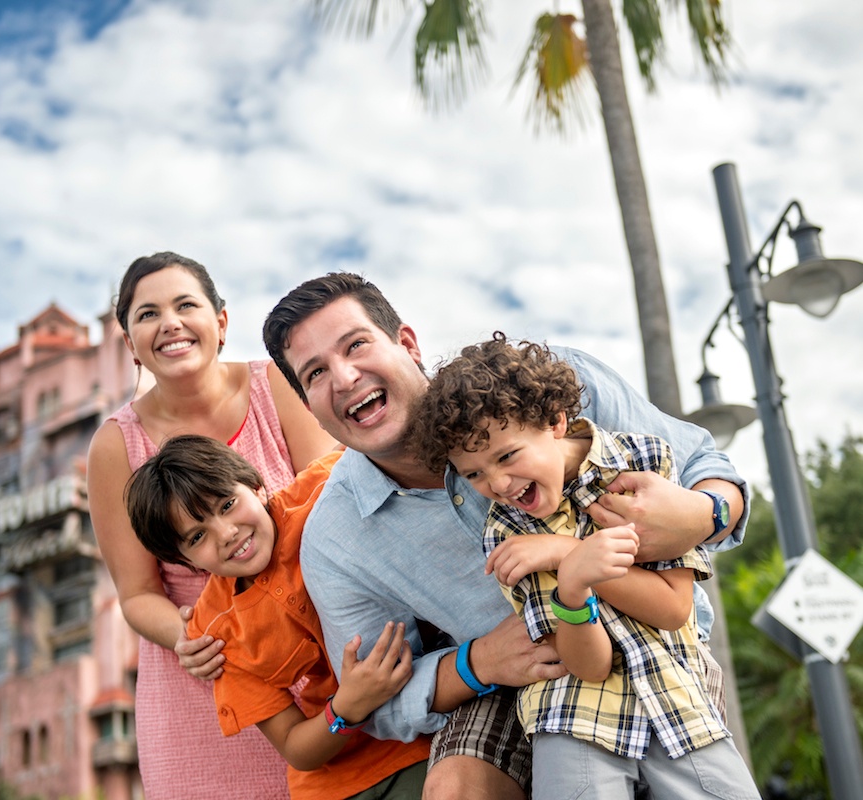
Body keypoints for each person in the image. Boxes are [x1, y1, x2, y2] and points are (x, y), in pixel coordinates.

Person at [261, 272, 749, 800]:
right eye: (315, 373)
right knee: (455, 790)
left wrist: (704, 510)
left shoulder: (543, 384)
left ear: (406, 342)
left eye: (356, 344)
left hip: (656, 641)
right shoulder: (337, 539)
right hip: (516, 682)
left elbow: (702, 460)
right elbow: (379, 700)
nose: (345, 376)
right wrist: (477, 664)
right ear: (308, 405)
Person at [408, 333, 760, 799]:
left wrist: (567, 553)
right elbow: (586, 665)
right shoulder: (506, 533)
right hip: (572, 716)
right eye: (473, 474)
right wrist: (572, 593)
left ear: (554, 422)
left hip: (677, 704)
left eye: (507, 456)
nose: (497, 482)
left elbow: (674, 609)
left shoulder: (644, 463)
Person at [86, 252, 336, 799]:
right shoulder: (114, 447)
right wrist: (191, 638)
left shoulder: (276, 385)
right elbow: (137, 593)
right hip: (206, 677)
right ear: (130, 344)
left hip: (318, 646)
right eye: (147, 314)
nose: (170, 323)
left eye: (185, 305)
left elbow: (330, 503)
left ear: (220, 322)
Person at [125, 435, 431, 799]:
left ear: (256, 485)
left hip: (421, 737)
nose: (226, 533)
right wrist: (349, 706)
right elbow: (294, 746)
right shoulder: (219, 631)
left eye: (227, 504)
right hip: (334, 783)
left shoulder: (324, 490)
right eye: (196, 537)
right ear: (186, 562)